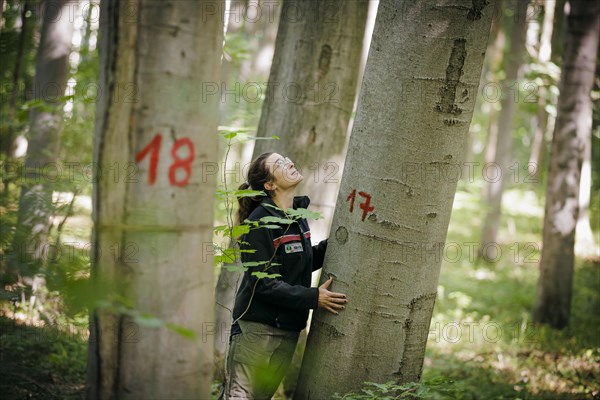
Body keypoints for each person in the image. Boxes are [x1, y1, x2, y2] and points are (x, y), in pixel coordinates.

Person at [219, 152, 348, 399]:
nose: (288, 162)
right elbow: (264, 283)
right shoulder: (259, 224)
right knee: (240, 396)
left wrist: (343, 241)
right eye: (278, 163)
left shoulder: (298, 217)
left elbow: (300, 262)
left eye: (286, 158)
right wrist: (314, 298)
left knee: (262, 396)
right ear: (270, 185)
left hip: (290, 328)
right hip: (257, 328)